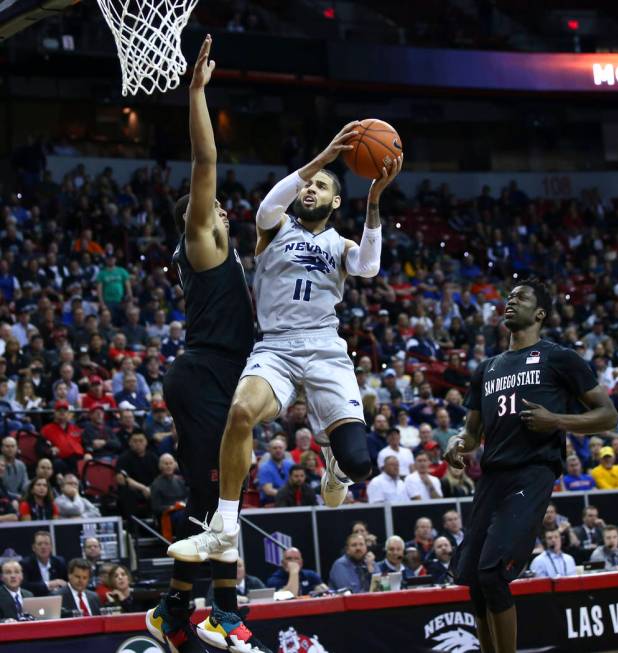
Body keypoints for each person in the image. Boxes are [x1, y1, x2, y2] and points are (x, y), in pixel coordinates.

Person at [170, 119, 402, 560]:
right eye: (307, 184)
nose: (310, 189)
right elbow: (271, 202)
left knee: (358, 462)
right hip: (275, 346)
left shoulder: (340, 244)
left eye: (321, 186)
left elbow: (369, 267)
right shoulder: (274, 227)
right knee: (240, 413)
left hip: (325, 348)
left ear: (336, 200)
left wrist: (374, 200)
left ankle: (334, 461)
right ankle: (223, 527)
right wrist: (324, 157)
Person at [144, 37, 266, 653]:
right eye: (212, 205)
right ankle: (218, 610)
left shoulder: (226, 252)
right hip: (203, 379)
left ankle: (176, 608)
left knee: (216, 499)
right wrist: (196, 94)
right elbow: (204, 162)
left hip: (217, 379)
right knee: (219, 497)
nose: (220, 205)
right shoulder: (202, 241)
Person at [445, 278, 617, 653]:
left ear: (539, 313)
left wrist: (557, 421)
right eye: (508, 297)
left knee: (492, 572)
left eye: (521, 297)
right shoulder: (486, 368)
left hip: (532, 472)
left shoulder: (559, 358)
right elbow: (472, 433)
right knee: (473, 577)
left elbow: (607, 416)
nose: (511, 301)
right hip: (492, 476)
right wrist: (458, 444)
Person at [116, 431, 158, 517]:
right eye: (135, 441)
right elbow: (121, 478)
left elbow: (159, 476)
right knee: (126, 493)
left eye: (141, 441)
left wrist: (151, 488)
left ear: (146, 442)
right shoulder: (124, 458)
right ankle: (132, 526)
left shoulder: (153, 457)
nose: (138, 443)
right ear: (130, 443)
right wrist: (143, 488)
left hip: (151, 489)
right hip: (134, 490)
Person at [21, 530, 67, 596]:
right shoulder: (25, 564)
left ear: (51, 547)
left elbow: (66, 583)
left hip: (56, 599)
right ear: (33, 548)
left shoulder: (59, 562)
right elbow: (24, 586)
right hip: (35, 600)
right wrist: (48, 584)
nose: (43, 547)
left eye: (46, 544)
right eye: (39, 544)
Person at [150, 453, 188, 519]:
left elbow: (188, 497)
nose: (169, 466)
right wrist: (172, 507)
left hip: (183, 509)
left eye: (170, 463)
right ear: (160, 466)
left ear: (174, 465)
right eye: (166, 464)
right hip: (168, 515)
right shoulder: (156, 484)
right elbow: (156, 507)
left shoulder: (181, 480)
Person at [257, 437, 293, 505]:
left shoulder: (290, 464)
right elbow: (268, 491)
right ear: (269, 450)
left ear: (284, 449)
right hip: (271, 501)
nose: (278, 450)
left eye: (280, 448)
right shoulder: (265, 467)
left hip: (289, 500)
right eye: (275, 448)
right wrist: (288, 494)